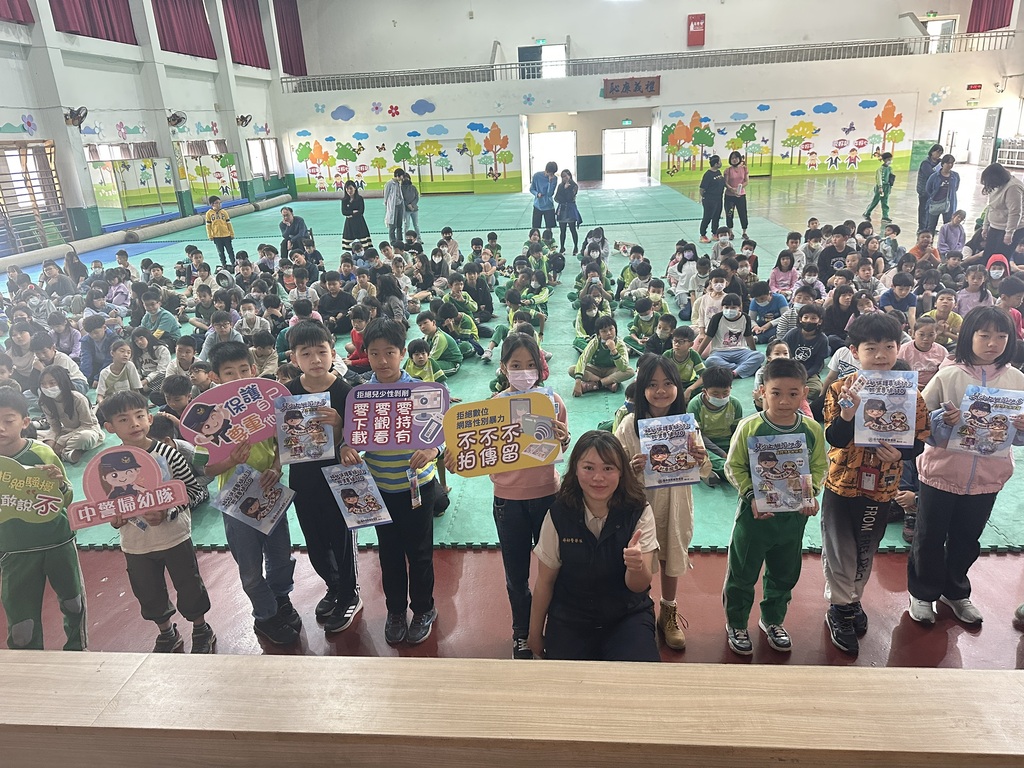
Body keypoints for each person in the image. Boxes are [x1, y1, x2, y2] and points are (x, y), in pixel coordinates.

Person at [445, 334, 569, 658]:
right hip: (508, 501)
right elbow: (473, 450)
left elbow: (560, 446)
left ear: (540, 367)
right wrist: (456, 458)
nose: (524, 372)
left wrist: (564, 438)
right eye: (516, 365)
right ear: (503, 367)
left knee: (555, 568)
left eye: (530, 365)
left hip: (548, 496)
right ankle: (522, 631)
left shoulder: (552, 402)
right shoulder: (493, 407)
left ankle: (556, 625)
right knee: (516, 574)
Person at [820, 313, 929, 655]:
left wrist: (899, 453)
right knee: (840, 549)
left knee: (867, 547)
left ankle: (853, 599)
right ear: (854, 351)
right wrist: (848, 413)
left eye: (889, 347)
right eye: (871, 348)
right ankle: (839, 607)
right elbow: (835, 438)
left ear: (898, 348)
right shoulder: (840, 388)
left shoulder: (910, 391)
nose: (881, 355)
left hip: (883, 486)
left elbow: (919, 441)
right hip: (842, 484)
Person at [908, 306, 1024, 625]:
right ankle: (922, 593)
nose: (993, 343)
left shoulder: (1017, 380)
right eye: (984, 335)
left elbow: (1016, 436)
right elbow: (920, 421)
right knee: (929, 536)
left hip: (988, 477)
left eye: (1001, 336)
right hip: (941, 473)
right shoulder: (949, 375)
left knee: (967, 538)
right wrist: (941, 421)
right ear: (968, 336)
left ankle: (955, 591)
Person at [722, 358, 827, 655]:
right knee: (742, 573)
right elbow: (733, 466)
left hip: (793, 518)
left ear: (804, 393)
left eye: (793, 394)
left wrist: (811, 493)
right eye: (776, 393)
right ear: (761, 393)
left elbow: (820, 465)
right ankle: (736, 623)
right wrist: (751, 495)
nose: (784, 401)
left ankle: (773, 620)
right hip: (754, 516)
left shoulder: (811, 429)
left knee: (785, 573)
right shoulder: (750, 427)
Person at [527, 430, 661, 662]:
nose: (598, 477)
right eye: (588, 468)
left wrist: (636, 566)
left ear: (621, 471)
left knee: (640, 678)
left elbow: (638, 586)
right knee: (563, 681)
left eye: (608, 468)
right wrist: (534, 634)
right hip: (570, 616)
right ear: (575, 469)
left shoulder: (639, 510)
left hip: (627, 615)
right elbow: (545, 581)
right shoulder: (559, 513)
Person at [99, 391, 214, 653]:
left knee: (189, 585)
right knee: (147, 591)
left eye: (139, 416)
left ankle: (201, 628)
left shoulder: (168, 453)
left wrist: (168, 511)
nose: (134, 424)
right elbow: (106, 502)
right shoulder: (106, 463)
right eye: (123, 419)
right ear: (110, 427)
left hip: (174, 536)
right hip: (135, 543)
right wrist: (114, 520)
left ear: (149, 418)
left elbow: (193, 490)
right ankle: (166, 632)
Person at [204, 342, 300, 646]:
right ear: (215, 377)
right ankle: (265, 615)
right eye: (229, 373)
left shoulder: (267, 405)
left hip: (270, 490)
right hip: (235, 499)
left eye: (243, 370)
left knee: (281, 555)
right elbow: (204, 468)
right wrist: (230, 461)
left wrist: (277, 466)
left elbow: (283, 442)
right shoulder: (207, 418)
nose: (238, 377)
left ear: (254, 369)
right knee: (249, 564)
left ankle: (281, 598)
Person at [615, 355, 711, 651]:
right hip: (640, 504)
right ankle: (635, 610)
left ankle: (667, 611)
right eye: (653, 384)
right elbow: (613, 466)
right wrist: (629, 467)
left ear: (677, 387)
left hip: (677, 502)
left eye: (668, 383)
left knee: (671, 555)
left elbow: (704, 469)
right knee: (638, 558)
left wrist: (700, 459)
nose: (660, 390)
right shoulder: (629, 424)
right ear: (642, 388)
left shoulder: (687, 424)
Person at [356, 319, 442, 644]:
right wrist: (348, 448)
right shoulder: (360, 396)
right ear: (366, 354)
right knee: (389, 555)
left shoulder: (421, 391)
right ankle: (395, 611)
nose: (382, 360)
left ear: (402, 353)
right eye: (374, 353)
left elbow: (441, 435)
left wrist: (433, 450)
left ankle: (423, 609)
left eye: (389, 352)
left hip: (418, 488)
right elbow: (352, 438)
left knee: (420, 554)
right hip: (380, 488)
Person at [284, 321, 362, 634]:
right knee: (315, 541)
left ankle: (350, 593)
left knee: (341, 538)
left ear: (333, 353)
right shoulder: (288, 393)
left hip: (340, 479)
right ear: (294, 358)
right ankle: (334, 585)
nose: (316, 359)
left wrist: (340, 426)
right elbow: (282, 438)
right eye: (306, 353)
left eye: (322, 351)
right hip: (303, 478)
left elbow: (358, 440)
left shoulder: (347, 391)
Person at [0, 388, 85, 650]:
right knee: (21, 625)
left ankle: (78, 651)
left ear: (25, 422)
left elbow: (66, 497)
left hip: (58, 542)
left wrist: (59, 484)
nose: (1, 428)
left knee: (74, 603)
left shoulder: (41, 452)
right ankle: (28, 665)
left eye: (8, 420)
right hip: (14, 551)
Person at [38, 365, 103, 465]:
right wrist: (50, 440)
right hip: (66, 431)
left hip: (87, 430)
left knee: (85, 437)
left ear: (62, 382)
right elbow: (55, 427)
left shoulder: (78, 399)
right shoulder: (45, 402)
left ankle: (61, 453)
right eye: (43, 384)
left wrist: (60, 441)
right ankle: (67, 453)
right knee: (35, 436)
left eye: (52, 383)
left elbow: (87, 425)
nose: (47, 387)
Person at [571, 315, 634, 396]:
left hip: (612, 370)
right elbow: (583, 359)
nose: (609, 333)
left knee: (630, 371)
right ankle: (608, 384)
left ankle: (597, 384)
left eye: (611, 329)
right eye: (604, 331)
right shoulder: (595, 342)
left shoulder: (620, 344)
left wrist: (614, 350)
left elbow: (623, 367)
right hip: (595, 369)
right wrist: (578, 382)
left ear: (615, 329)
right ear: (598, 334)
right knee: (572, 369)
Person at [980, 162, 1024, 257]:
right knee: (988, 255)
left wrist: (1009, 233)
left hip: (1009, 229)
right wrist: (985, 226)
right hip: (995, 226)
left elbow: (1015, 212)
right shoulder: (995, 185)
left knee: (1000, 258)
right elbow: (990, 206)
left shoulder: (1013, 187)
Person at [924, 154, 960, 233]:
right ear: (943, 164)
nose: (950, 165)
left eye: (952, 163)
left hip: (949, 204)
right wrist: (934, 197)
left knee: (948, 226)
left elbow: (955, 188)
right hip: (935, 204)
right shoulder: (934, 176)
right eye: (948, 163)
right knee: (931, 226)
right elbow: (928, 189)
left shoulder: (955, 176)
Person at [554, 168, 582, 257]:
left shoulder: (574, 186)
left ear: (569, 176)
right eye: (562, 177)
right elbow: (556, 198)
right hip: (562, 209)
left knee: (572, 229)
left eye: (565, 176)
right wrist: (564, 189)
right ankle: (562, 247)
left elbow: (570, 198)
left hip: (570, 209)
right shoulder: (560, 186)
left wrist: (566, 190)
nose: (564, 178)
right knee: (562, 230)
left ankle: (575, 247)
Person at [699, 155, 726, 243]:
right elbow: (702, 189)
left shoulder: (718, 172)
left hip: (719, 198)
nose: (721, 163)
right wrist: (705, 197)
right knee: (707, 217)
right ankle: (702, 235)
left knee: (716, 216)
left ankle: (715, 233)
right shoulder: (708, 174)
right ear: (716, 164)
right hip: (709, 199)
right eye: (720, 161)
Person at [917, 143, 944, 232]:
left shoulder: (940, 162)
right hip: (924, 190)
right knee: (923, 209)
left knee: (932, 210)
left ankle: (929, 227)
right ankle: (922, 228)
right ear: (932, 152)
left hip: (935, 191)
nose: (938, 154)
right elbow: (930, 174)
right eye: (937, 152)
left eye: (940, 153)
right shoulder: (926, 163)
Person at [723, 151, 750, 238]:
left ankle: (744, 232)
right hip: (730, 196)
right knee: (729, 214)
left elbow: (746, 181)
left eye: (736, 158)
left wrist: (739, 188)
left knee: (743, 213)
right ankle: (730, 231)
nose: (734, 160)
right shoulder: (728, 170)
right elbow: (725, 183)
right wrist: (732, 189)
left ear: (739, 159)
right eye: (732, 158)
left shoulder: (744, 169)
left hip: (741, 195)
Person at [341, 180, 371, 253]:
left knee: (363, 244)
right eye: (347, 189)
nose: (349, 191)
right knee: (350, 245)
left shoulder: (359, 199)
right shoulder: (344, 200)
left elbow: (361, 211)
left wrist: (350, 214)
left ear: (355, 188)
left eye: (351, 188)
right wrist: (353, 212)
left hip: (359, 223)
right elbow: (344, 212)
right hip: (349, 224)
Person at [863, 152, 894, 223]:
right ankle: (867, 213)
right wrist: (880, 187)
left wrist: (890, 187)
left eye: (890, 159)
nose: (890, 161)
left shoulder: (890, 168)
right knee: (875, 201)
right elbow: (879, 179)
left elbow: (891, 178)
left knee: (885, 202)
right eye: (889, 159)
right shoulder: (880, 169)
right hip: (880, 187)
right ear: (884, 160)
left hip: (887, 187)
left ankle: (885, 216)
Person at [204, 196, 235, 267]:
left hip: (226, 235)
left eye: (220, 203)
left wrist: (232, 233)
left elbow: (229, 223)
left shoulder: (224, 212)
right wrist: (210, 235)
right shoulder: (209, 213)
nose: (219, 204)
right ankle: (224, 264)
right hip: (216, 236)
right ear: (212, 204)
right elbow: (208, 226)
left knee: (230, 250)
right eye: (217, 203)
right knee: (221, 252)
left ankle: (233, 263)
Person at [530, 161, 558, 230]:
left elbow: (550, 194)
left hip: (549, 206)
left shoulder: (554, 178)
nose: (551, 175)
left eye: (553, 173)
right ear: (546, 170)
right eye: (549, 173)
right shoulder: (536, 176)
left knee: (549, 228)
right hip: (537, 205)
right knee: (535, 228)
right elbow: (532, 189)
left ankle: (548, 237)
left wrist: (550, 182)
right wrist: (537, 194)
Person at [383, 169, 405, 243]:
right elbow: (386, 196)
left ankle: (400, 240)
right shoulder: (389, 183)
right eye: (402, 176)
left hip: (400, 204)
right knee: (392, 225)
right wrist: (387, 205)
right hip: (393, 206)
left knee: (399, 224)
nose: (402, 178)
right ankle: (392, 241)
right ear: (397, 175)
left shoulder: (399, 183)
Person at [401, 172, 420, 237]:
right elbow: (402, 199)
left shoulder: (413, 187)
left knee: (416, 225)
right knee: (407, 225)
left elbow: (417, 197)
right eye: (404, 178)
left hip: (414, 209)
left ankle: (419, 238)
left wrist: (412, 205)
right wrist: (408, 205)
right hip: (406, 210)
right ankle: (406, 238)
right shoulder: (401, 188)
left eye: (407, 178)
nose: (406, 180)